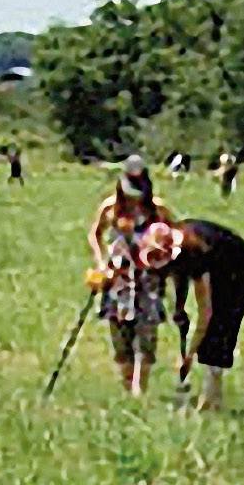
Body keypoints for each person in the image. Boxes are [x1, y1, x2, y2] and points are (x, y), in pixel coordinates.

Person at [136, 217, 244, 411]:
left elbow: (206, 313)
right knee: (209, 334)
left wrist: (190, 353)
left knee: (219, 329)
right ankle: (209, 397)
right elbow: (180, 280)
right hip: (217, 260)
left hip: (238, 267)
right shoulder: (177, 244)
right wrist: (179, 310)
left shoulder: (198, 254)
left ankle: (212, 400)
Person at [87, 161, 177, 396]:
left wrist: (162, 256)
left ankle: (140, 391)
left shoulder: (158, 210)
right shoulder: (111, 208)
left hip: (148, 283)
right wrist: (101, 262)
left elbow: (175, 238)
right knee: (121, 337)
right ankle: (128, 390)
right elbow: (95, 233)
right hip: (118, 281)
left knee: (146, 336)